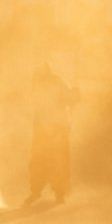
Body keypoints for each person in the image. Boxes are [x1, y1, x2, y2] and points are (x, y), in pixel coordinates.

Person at [24, 64, 75, 205]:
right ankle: (36, 191)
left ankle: (59, 194)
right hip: (42, 127)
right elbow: (34, 105)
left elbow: (70, 101)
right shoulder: (37, 84)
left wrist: (71, 97)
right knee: (38, 160)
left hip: (58, 127)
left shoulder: (60, 83)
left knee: (59, 161)